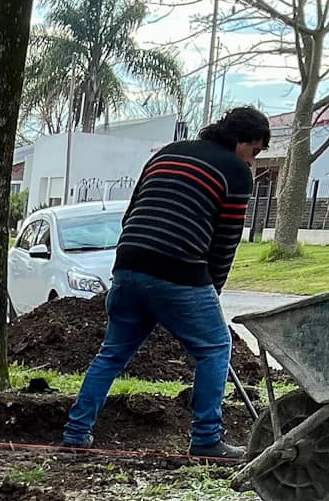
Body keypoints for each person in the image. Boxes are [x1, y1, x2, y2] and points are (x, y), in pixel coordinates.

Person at [62, 105, 272, 461]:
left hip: (128, 264)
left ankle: (75, 434)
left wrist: (132, 260)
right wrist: (213, 288)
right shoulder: (235, 173)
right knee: (215, 347)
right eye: (254, 151)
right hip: (179, 269)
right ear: (241, 140)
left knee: (112, 354)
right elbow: (225, 241)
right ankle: (206, 439)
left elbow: (132, 213)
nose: (252, 161)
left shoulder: (168, 153)